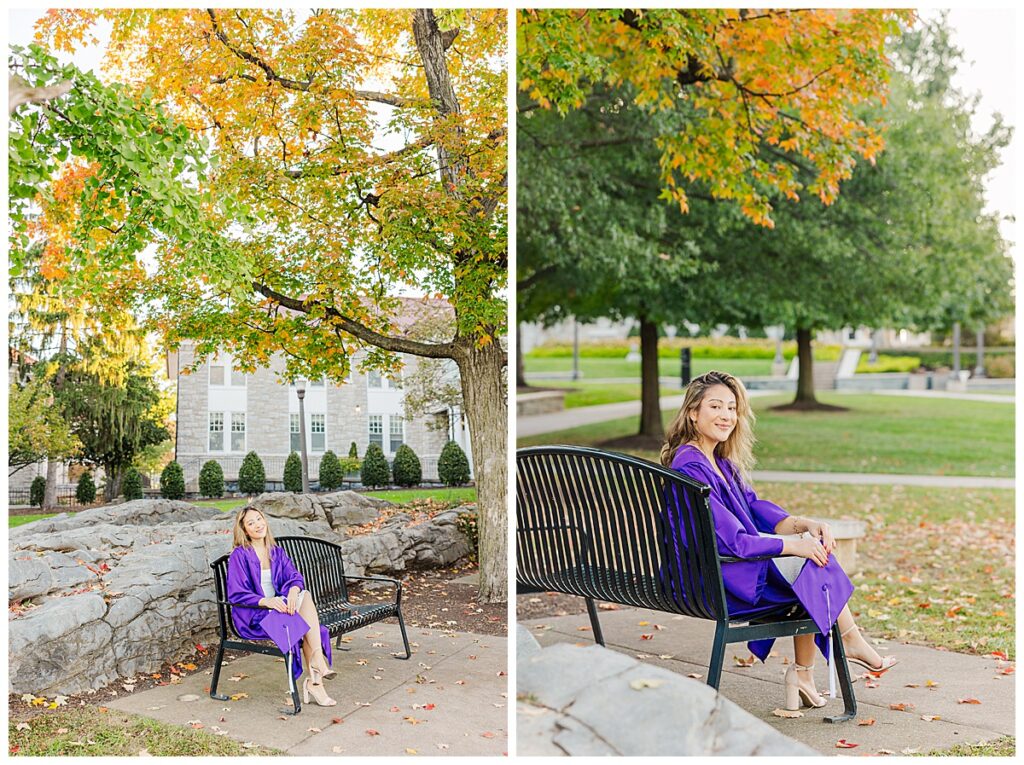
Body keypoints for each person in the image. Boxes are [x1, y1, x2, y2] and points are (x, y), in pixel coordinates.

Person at [661, 370, 897, 710]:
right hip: (709, 583)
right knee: (812, 568)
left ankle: (806, 672)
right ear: (693, 412)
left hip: (714, 573)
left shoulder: (717, 461)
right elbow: (735, 542)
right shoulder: (692, 467)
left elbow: (754, 506)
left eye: (731, 407)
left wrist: (804, 524)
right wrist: (795, 545)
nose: (726, 415)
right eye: (715, 406)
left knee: (812, 567)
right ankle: (844, 644)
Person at [226, 506, 337, 707]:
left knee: (304, 597)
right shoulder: (240, 555)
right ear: (244, 530)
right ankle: (317, 671)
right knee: (309, 628)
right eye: (251, 523)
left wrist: (293, 590)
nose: (258, 525)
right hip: (255, 615)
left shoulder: (275, 551)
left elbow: (294, 577)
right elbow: (236, 593)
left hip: (280, 607)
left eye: (259, 519)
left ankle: (316, 677)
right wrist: (266, 601)